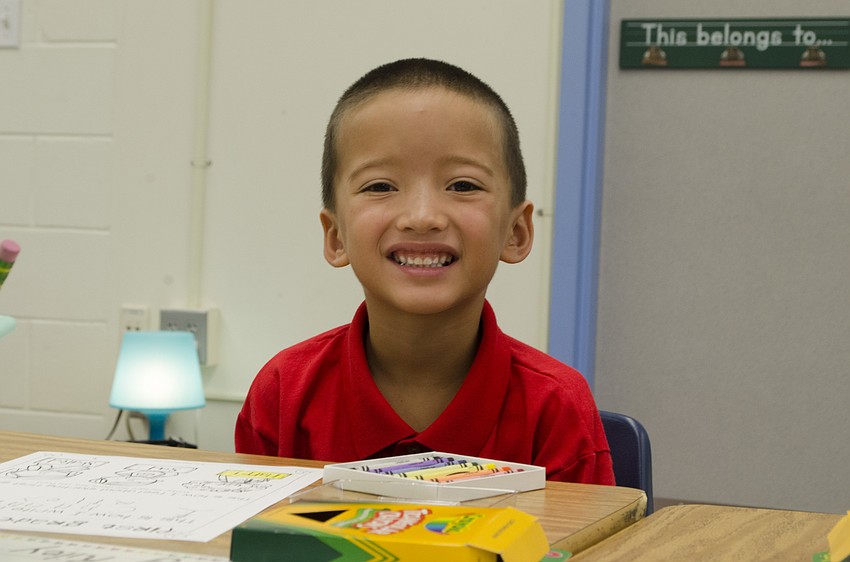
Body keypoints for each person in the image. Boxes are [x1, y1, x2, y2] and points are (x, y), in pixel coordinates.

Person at [235, 58, 614, 484]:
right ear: (336, 236)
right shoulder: (284, 392)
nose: (422, 216)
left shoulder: (556, 405)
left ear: (516, 232)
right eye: (380, 186)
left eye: (463, 186)